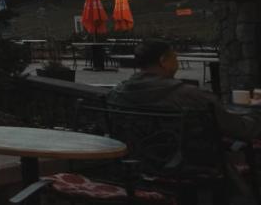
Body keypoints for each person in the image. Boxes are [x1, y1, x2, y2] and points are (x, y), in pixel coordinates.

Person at [110, 39, 261, 141]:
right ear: (163, 61)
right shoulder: (190, 95)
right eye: (175, 58)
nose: (177, 62)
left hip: (140, 163)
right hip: (194, 164)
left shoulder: (118, 93)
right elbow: (238, 129)